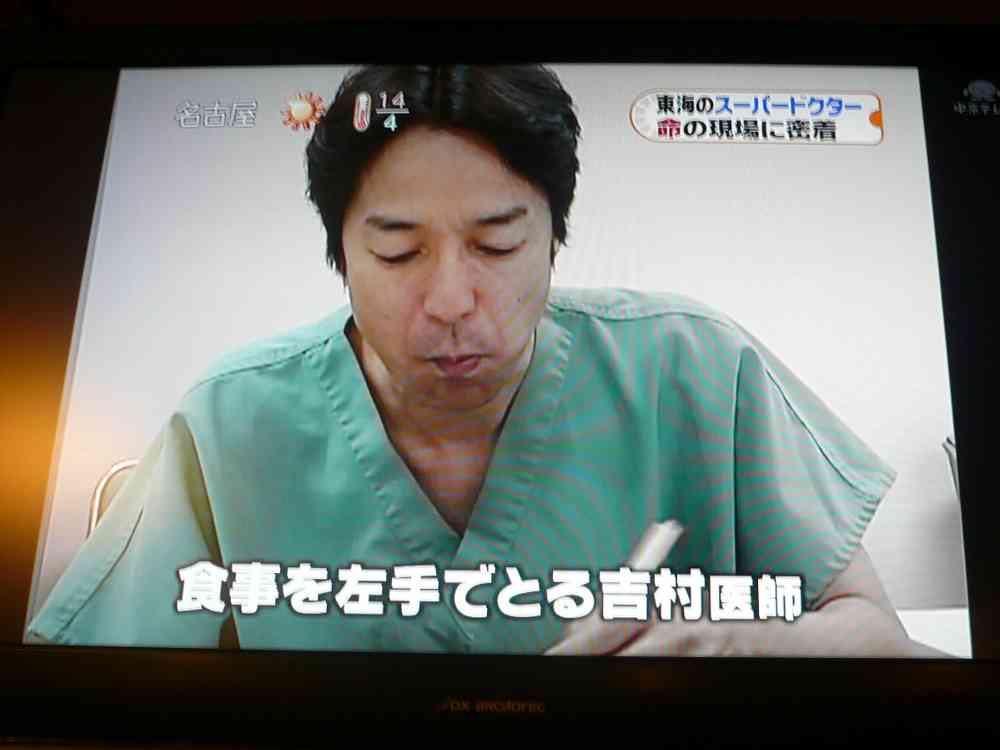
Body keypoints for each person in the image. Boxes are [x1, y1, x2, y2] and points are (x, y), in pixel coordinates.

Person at [27, 65, 935, 656]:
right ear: (341, 253)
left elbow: (876, 634)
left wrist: (729, 644)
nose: (453, 300)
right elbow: (83, 686)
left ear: (555, 237)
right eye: (397, 252)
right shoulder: (233, 419)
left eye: (497, 245)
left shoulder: (695, 365)